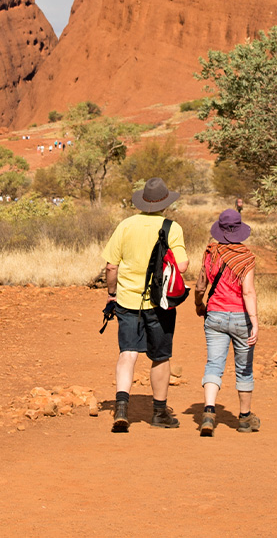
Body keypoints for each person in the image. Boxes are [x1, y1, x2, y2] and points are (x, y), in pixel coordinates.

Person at [98, 177, 188, 431]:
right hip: (160, 303)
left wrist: (112, 293)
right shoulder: (172, 227)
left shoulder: (126, 225)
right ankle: (159, 413)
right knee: (160, 356)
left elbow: (111, 266)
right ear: (165, 203)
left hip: (127, 301)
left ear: (143, 201)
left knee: (127, 353)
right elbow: (181, 265)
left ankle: (122, 409)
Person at [199, 207, 260, 434]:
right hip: (241, 318)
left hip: (214, 315)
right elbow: (248, 292)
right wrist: (254, 321)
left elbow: (200, 285)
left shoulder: (210, 253)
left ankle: (208, 412)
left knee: (214, 364)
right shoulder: (246, 257)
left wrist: (199, 304)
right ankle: (244, 418)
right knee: (244, 369)